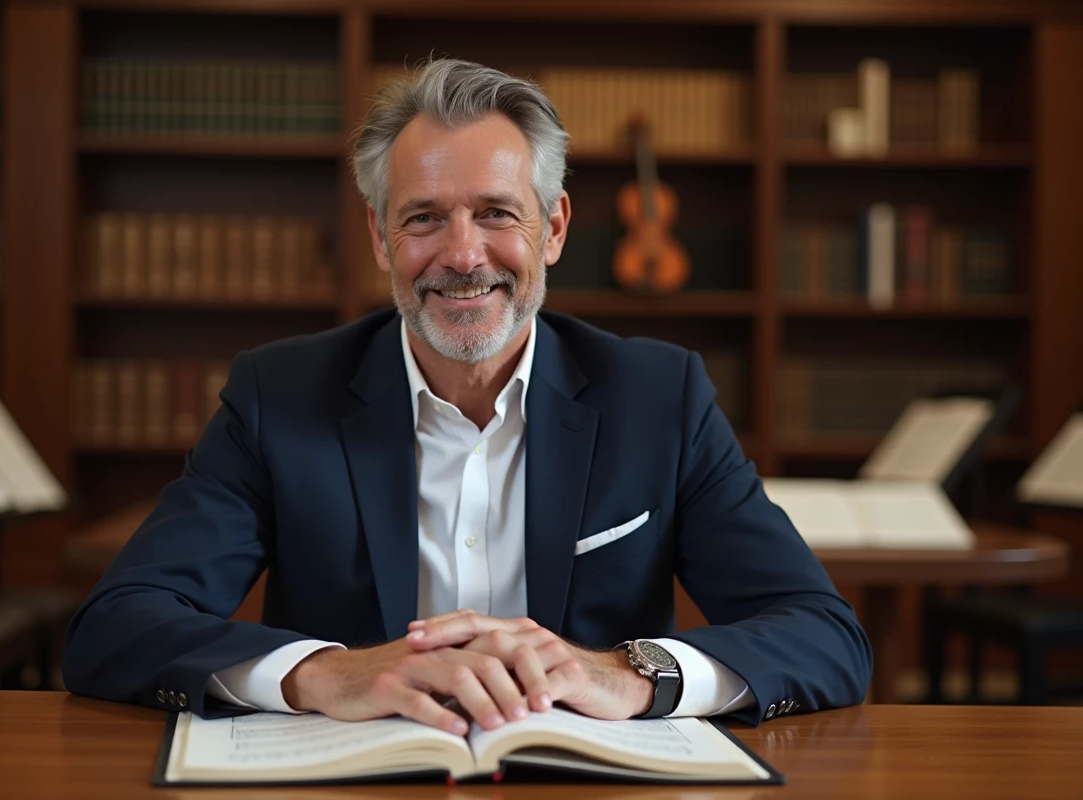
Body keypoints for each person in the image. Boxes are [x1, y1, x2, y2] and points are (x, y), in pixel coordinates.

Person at [62, 58, 871, 734]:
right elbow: (117, 624)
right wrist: (325, 674)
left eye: (495, 213)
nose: (462, 254)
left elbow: (823, 633)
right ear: (380, 237)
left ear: (554, 228)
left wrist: (631, 675)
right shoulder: (278, 397)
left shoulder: (660, 399)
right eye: (423, 218)